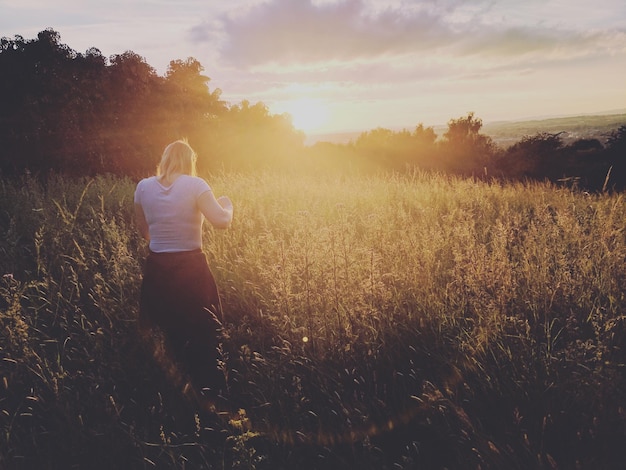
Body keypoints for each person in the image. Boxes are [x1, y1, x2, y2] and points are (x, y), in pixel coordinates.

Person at [134, 139, 233, 407]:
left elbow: (145, 231)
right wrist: (228, 205)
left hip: (157, 268)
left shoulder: (142, 187)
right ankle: (210, 394)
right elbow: (222, 222)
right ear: (190, 161)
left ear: (165, 159)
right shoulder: (195, 185)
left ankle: (171, 393)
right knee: (203, 331)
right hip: (191, 268)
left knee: (166, 330)